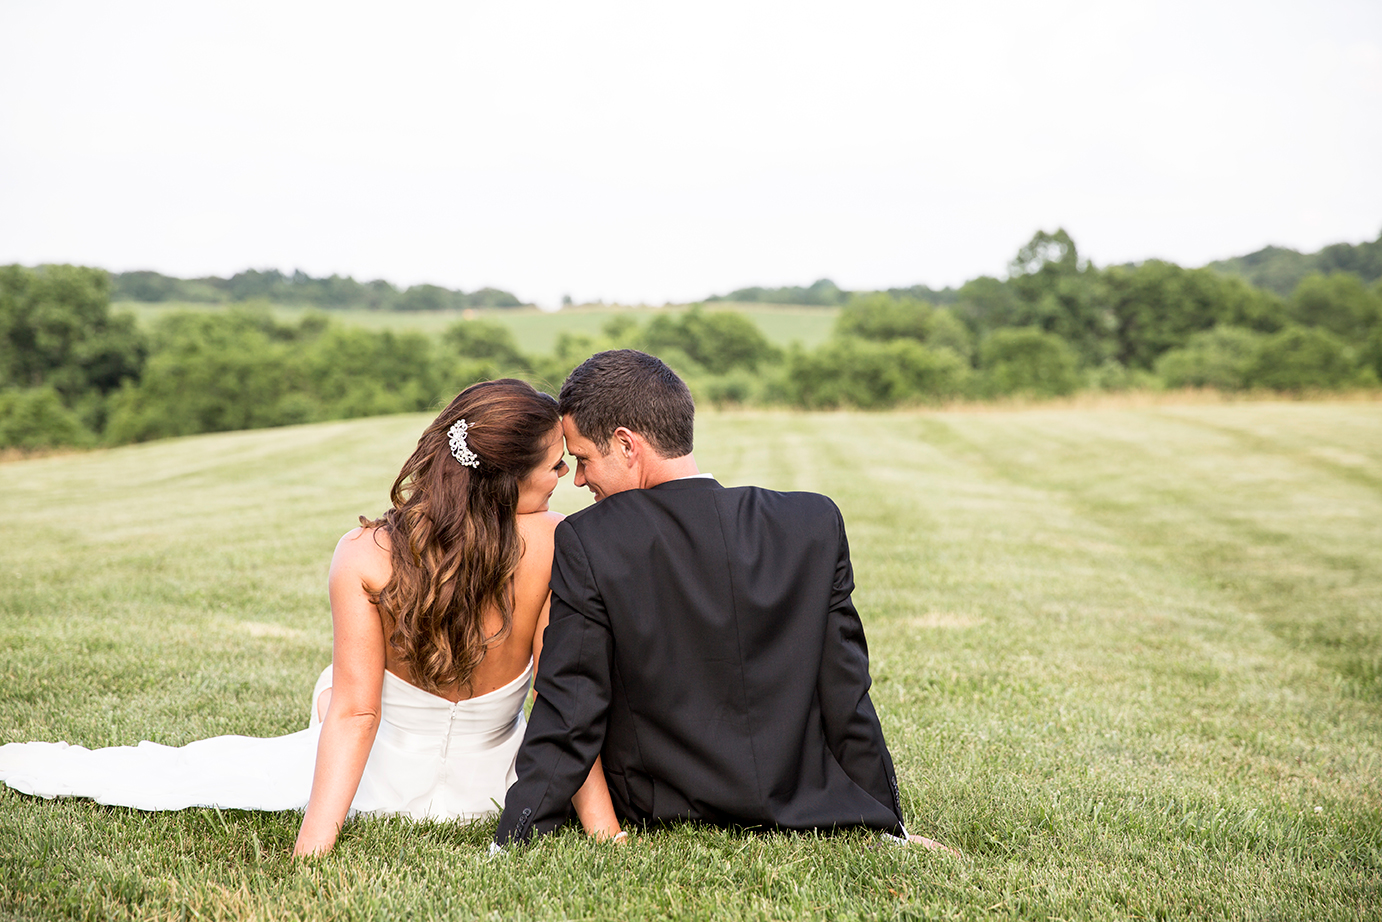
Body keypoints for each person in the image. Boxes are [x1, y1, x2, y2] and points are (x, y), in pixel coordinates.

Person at [0, 379, 621, 855]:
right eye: (556, 465)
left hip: (382, 781)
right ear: (505, 479)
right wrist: (604, 832)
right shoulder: (560, 541)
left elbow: (358, 713)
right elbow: (560, 695)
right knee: (337, 693)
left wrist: (314, 845)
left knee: (335, 695)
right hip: (495, 779)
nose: (565, 478)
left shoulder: (366, 554)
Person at [494, 351, 951, 853]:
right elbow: (845, 693)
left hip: (658, 810)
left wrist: (517, 834)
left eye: (583, 459)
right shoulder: (811, 523)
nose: (579, 480)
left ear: (627, 445)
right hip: (803, 804)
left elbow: (571, 705)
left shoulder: (591, 539)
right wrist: (887, 825)